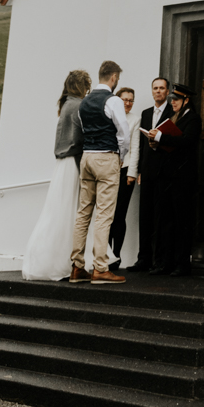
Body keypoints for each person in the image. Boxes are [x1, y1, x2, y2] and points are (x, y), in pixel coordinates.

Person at [21, 69, 90, 281]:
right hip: (73, 162)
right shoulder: (78, 106)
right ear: (81, 86)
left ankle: (48, 259)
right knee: (71, 212)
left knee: (58, 211)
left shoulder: (64, 105)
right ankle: (67, 261)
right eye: (87, 86)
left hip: (62, 164)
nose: (88, 90)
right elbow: (81, 137)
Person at [69, 59, 130, 284]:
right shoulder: (112, 100)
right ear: (113, 78)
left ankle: (77, 267)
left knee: (83, 212)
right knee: (104, 215)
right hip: (106, 157)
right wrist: (120, 157)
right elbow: (123, 132)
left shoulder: (83, 102)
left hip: (87, 156)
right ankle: (100, 268)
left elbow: (84, 129)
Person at [145, 83, 201, 276]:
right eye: (173, 99)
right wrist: (155, 143)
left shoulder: (193, 119)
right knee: (165, 221)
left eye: (176, 99)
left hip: (182, 177)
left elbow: (186, 141)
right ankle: (163, 262)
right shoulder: (172, 118)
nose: (173, 102)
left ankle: (181, 264)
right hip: (167, 176)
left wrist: (162, 137)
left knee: (181, 221)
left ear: (186, 100)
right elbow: (168, 143)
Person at [127, 76, 170, 273]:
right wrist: (139, 171)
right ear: (152, 91)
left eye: (162, 88)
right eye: (155, 88)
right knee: (145, 216)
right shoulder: (145, 114)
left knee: (161, 217)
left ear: (167, 92)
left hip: (164, 171)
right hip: (147, 171)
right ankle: (143, 258)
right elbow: (141, 146)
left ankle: (159, 260)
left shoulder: (172, 112)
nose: (158, 91)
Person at [108, 86, 139, 268]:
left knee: (120, 215)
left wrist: (132, 173)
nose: (127, 103)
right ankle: (105, 255)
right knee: (107, 216)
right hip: (108, 171)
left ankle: (116, 256)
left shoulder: (135, 119)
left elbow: (135, 148)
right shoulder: (109, 116)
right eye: (124, 99)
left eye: (130, 100)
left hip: (125, 171)